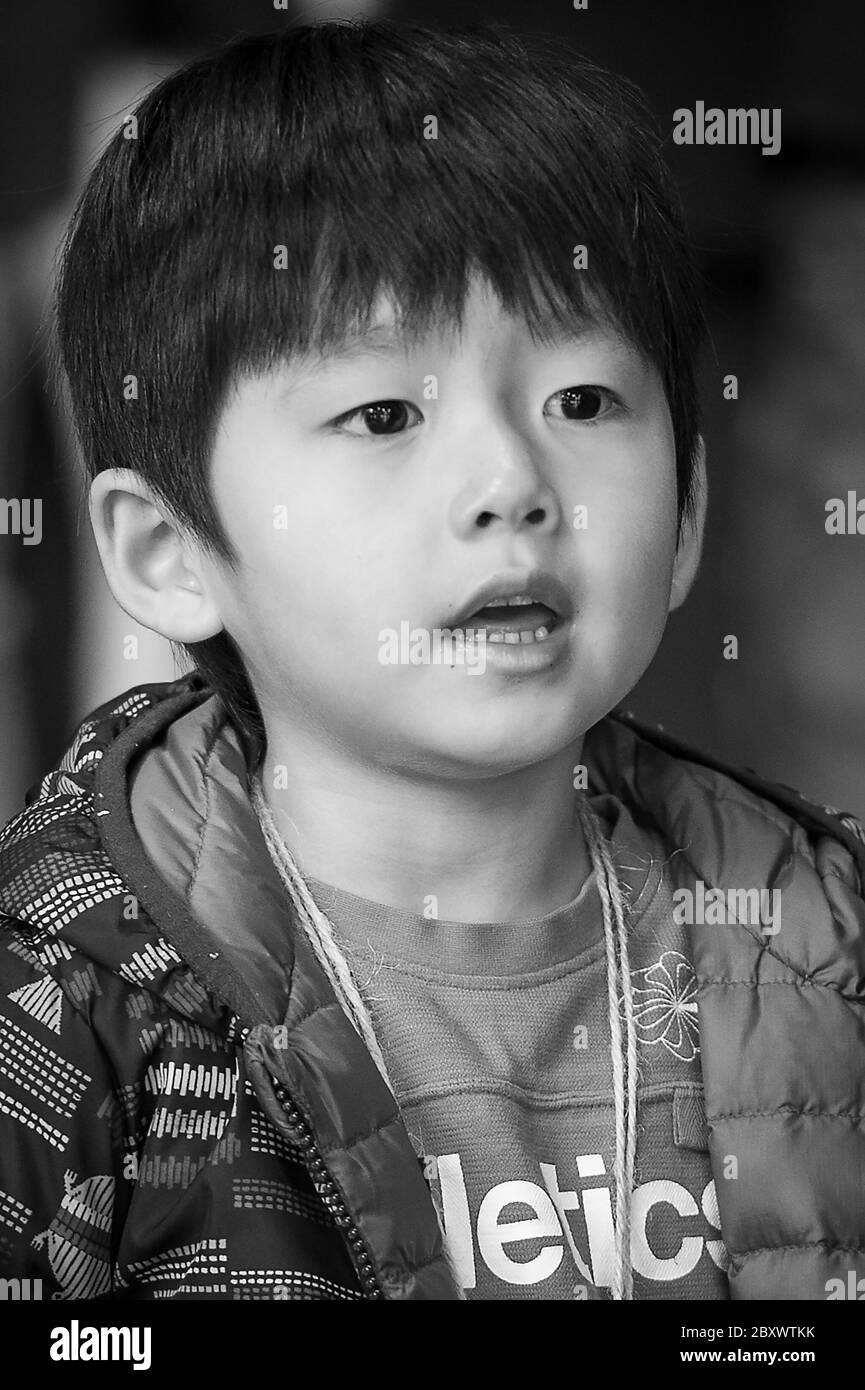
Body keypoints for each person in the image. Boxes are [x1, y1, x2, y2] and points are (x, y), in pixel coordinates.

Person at [0, 18, 862, 1302]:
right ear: (171, 549)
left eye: (581, 401)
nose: (510, 482)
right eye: (385, 414)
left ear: (684, 511)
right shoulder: (62, 1012)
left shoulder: (827, 943)